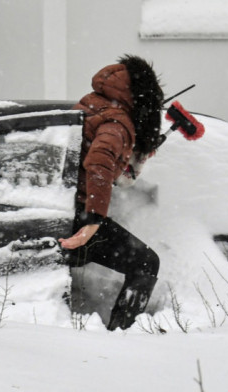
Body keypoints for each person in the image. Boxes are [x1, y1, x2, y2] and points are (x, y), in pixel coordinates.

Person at [59, 54, 164, 331]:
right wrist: (93, 219)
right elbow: (99, 162)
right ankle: (122, 332)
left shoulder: (92, 103)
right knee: (146, 262)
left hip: (56, 205)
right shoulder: (119, 123)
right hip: (78, 219)